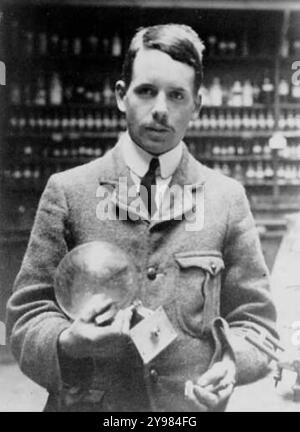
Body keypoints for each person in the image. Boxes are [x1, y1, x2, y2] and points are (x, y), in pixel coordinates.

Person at [6, 24, 278, 412]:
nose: (161, 109)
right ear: (122, 96)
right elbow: (26, 318)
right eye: (146, 90)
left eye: (177, 95)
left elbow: (258, 322)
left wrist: (231, 362)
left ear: (197, 106)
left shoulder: (226, 199)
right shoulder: (68, 191)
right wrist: (68, 341)